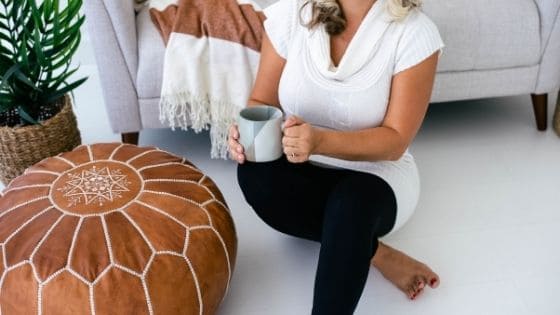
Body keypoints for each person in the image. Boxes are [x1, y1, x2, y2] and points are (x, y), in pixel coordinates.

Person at [228, 0, 444, 313]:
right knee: (253, 173)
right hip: (300, 160)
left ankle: (351, 239)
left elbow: (396, 140)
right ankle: (375, 253)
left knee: (349, 205)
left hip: (377, 175)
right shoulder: (293, 13)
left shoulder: (414, 33)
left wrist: (319, 142)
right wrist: (243, 134)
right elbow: (262, 99)